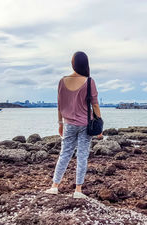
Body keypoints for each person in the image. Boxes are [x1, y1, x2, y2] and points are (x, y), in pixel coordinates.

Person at [45, 51, 102, 198]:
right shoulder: (89, 81)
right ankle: (78, 190)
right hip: (85, 124)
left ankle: (54, 186)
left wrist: (60, 123)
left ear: (73, 64)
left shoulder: (62, 81)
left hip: (68, 123)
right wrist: (100, 125)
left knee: (64, 154)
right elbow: (95, 105)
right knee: (82, 156)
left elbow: (60, 104)